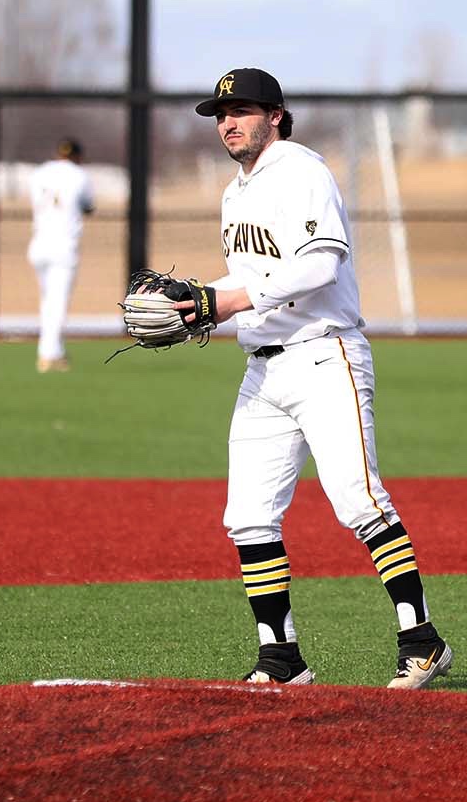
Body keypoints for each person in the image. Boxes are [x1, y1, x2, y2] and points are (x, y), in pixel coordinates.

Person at [179, 68, 451, 689]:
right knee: (247, 515)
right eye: (220, 114)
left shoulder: (301, 171)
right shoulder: (236, 190)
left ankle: (422, 640)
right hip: (263, 369)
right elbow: (249, 278)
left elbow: (321, 264)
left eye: (241, 110)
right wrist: (194, 297)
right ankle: (282, 659)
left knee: (358, 499)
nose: (228, 123)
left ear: (275, 114)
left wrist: (226, 301)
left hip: (325, 357)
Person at [26, 137, 94, 373]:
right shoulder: (80, 174)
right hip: (63, 247)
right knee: (57, 302)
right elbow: (88, 206)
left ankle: (54, 350)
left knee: (48, 301)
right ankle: (49, 354)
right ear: (77, 156)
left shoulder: (41, 172)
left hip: (38, 244)